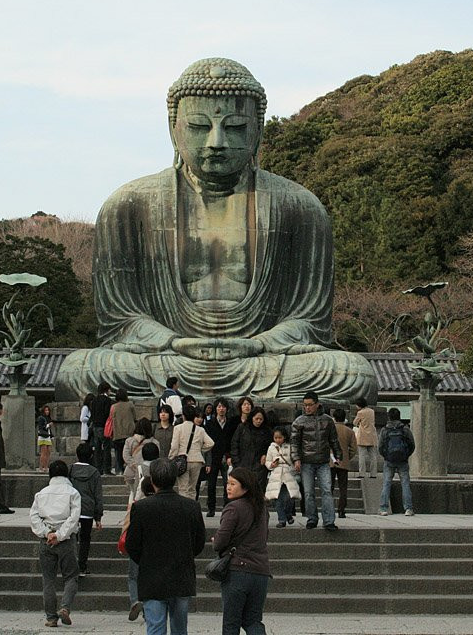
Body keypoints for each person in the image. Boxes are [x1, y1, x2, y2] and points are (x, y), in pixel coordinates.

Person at [54, 57, 378, 405]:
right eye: (198, 125)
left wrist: (260, 343)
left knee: (351, 373)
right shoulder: (129, 205)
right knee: (80, 371)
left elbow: (309, 320)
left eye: (236, 127)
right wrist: (173, 342)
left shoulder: (299, 207)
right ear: (173, 128)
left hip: (261, 358)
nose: (217, 141)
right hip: (168, 357)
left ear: (259, 131)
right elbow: (121, 320)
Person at [126, 457, 206, 635]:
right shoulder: (191, 506)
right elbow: (199, 542)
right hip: (181, 574)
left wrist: (146, 560)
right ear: (175, 479)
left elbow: (132, 545)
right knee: (179, 628)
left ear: (152, 480)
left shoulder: (141, 508)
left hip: (152, 575)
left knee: (155, 627)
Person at [213, 467, 270, 635]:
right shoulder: (262, 509)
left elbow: (220, 542)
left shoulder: (233, 508)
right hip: (261, 571)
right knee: (253, 621)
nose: (228, 487)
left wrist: (216, 540)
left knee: (231, 624)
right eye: (227, 483)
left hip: (238, 571)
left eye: (233, 484)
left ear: (245, 487)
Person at [30, 460, 82, 627]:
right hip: (66, 539)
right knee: (71, 576)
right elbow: (74, 519)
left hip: (46, 539)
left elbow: (34, 517)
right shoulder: (73, 493)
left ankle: (51, 617)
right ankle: (65, 608)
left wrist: (47, 533)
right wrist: (60, 535)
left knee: (48, 580)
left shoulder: (41, 493)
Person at [290, 391, 342, 531]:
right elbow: (294, 443)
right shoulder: (299, 421)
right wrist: (296, 459)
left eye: (310, 405)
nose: (307, 408)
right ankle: (312, 518)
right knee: (308, 492)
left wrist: (338, 455)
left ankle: (329, 520)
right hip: (306, 462)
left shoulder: (327, 420)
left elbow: (333, 440)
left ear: (317, 404)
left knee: (327, 490)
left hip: (323, 461)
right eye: (305, 405)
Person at [124, 475, 157, 622]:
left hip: (138, 547)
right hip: (154, 548)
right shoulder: (160, 505)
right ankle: (147, 610)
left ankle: (135, 600)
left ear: (142, 489)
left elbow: (129, 527)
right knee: (150, 577)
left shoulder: (137, 506)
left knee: (133, 577)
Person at [69, 442, 103, 577]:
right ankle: (82, 566)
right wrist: (98, 517)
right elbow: (98, 495)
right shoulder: (94, 473)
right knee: (85, 539)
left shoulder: (70, 470)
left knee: (71, 538)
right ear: (91, 455)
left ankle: (70, 566)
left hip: (72, 508)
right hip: (88, 510)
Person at [169, 405, 215, 499]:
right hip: (197, 460)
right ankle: (192, 509)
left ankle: (184, 511)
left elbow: (174, 446)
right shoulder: (200, 429)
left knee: (183, 488)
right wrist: (199, 449)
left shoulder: (178, 428)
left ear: (183, 416)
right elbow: (210, 443)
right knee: (192, 488)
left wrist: (171, 458)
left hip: (182, 460)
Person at [378, 408, 415, 517]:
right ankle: (408, 508)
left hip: (389, 460)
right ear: (399, 416)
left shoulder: (385, 430)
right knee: (405, 484)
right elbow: (412, 444)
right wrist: (406, 455)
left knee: (386, 483)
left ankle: (383, 508)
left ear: (389, 417)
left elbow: (380, 447)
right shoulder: (405, 429)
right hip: (403, 460)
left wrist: (386, 456)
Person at [205, 398, 239, 517]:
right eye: (219, 407)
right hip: (214, 456)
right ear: (215, 409)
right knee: (211, 484)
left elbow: (233, 440)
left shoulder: (231, 423)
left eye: (223, 407)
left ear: (227, 409)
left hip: (226, 457)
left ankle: (227, 507)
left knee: (227, 484)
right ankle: (211, 508)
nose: (221, 409)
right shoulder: (209, 423)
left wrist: (229, 455)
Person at [229, 406, 272, 493]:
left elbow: (270, 446)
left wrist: (265, 455)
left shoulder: (267, 431)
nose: (259, 421)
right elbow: (234, 444)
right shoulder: (242, 428)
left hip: (259, 467)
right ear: (252, 418)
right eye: (256, 418)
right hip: (243, 464)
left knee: (257, 492)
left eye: (261, 419)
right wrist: (237, 462)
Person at [265, 426, 299, 528]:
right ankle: (282, 519)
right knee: (278, 499)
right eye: (276, 438)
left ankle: (288, 513)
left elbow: (293, 458)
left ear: (284, 437)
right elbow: (268, 461)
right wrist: (271, 465)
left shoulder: (290, 446)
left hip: (288, 474)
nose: (278, 440)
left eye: (280, 437)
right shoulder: (271, 448)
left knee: (290, 497)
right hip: (276, 475)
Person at [124, 417, 160, 502]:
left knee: (133, 493)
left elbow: (126, 456)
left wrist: (134, 465)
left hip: (132, 473)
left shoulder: (129, 441)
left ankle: (132, 509)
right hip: (149, 472)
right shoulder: (154, 442)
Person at [331, 408, 358, 519]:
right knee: (343, 488)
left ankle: (328, 508)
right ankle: (341, 510)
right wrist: (347, 457)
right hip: (344, 462)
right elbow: (353, 449)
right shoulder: (349, 431)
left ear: (334, 417)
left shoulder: (330, 429)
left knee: (329, 487)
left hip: (331, 461)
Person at [112, 388, 137, 474]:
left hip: (117, 433)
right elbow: (134, 417)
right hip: (129, 432)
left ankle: (119, 470)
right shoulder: (130, 405)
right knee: (129, 453)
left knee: (118, 453)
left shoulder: (113, 406)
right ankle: (129, 469)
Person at [90, 382, 113, 473]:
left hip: (96, 427)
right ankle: (107, 468)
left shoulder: (94, 400)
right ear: (106, 390)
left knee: (97, 449)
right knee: (107, 448)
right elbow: (108, 414)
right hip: (104, 427)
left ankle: (98, 468)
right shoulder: (107, 400)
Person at [354, 398, 378, 479]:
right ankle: (373, 474)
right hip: (372, 435)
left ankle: (362, 473)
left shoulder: (360, 413)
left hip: (363, 436)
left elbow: (354, 422)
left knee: (362, 456)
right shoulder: (372, 411)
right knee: (373, 457)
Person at [36, 404, 55, 473]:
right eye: (46, 410)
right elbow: (41, 427)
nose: (47, 412)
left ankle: (46, 467)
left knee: (48, 452)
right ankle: (41, 467)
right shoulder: (41, 418)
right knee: (43, 452)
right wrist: (48, 425)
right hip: (43, 436)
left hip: (47, 436)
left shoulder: (48, 418)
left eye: (48, 410)